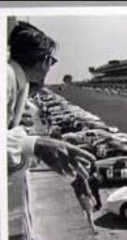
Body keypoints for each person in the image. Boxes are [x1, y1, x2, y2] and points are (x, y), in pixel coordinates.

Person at [7, 21, 95, 175]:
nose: (49, 68)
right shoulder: (6, 77)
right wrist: (35, 144)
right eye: (51, 62)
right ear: (43, 60)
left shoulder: (18, 80)